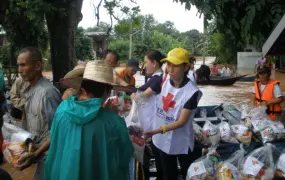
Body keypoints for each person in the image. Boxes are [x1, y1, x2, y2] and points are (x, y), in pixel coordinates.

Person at [44, 60, 133, 180]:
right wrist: (111, 116)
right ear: (108, 91)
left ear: (82, 89)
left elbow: (55, 142)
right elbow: (124, 155)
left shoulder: (62, 109)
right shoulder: (114, 122)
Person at [140, 48, 202, 180]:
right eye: (168, 64)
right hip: (160, 139)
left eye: (175, 65)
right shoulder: (163, 80)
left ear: (185, 67)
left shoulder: (192, 92)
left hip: (180, 139)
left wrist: (155, 131)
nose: (170, 69)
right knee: (167, 174)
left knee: (187, 173)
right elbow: (142, 96)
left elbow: (181, 122)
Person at [15, 47, 61, 180]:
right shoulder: (28, 90)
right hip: (37, 154)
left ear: (38, 66)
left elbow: (57, 131)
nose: (19, 70)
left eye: (23, 65)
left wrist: (36, 153)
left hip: (49, 157)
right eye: (18, 65)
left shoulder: (48, 93)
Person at [131, 50, 165, 179]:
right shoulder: (155, 78)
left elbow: (140, 96)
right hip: (154, 125)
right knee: (158, 158)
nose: (144, 65)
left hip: (154, 126)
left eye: (146, 62)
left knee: (159, 158)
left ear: (154, 63)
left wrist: (133, 93)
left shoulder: (158, 79)